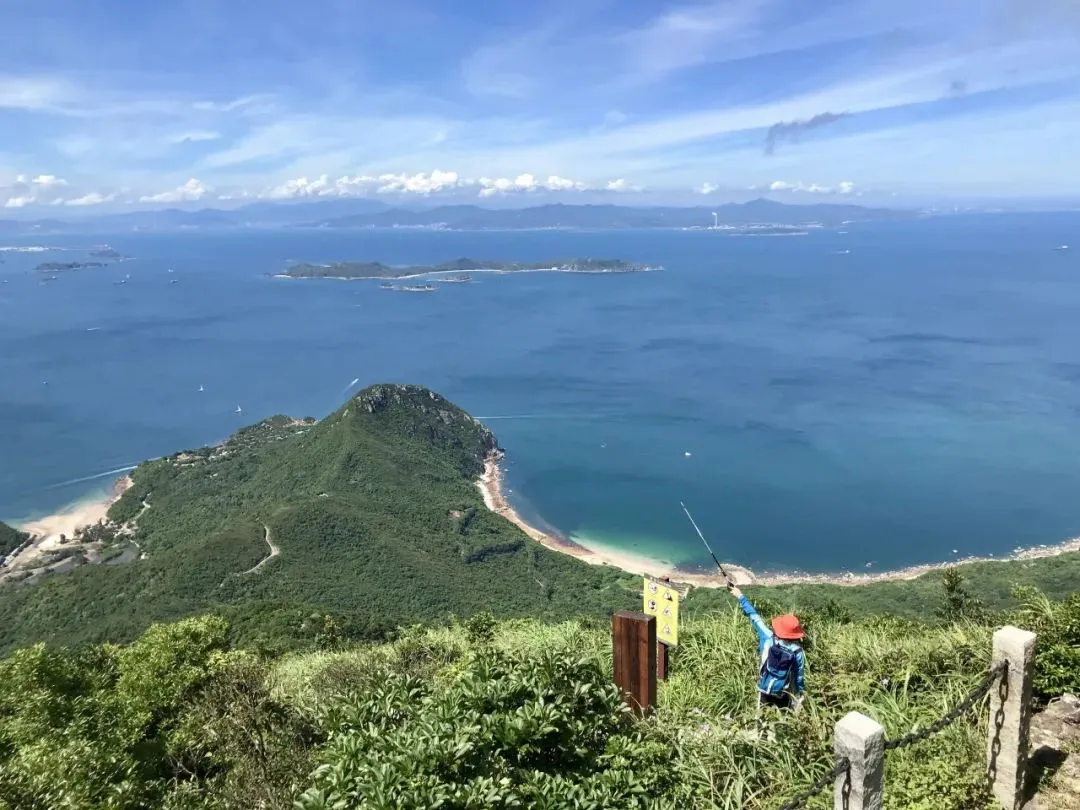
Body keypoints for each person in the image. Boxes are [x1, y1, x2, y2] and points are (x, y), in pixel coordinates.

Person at [728, 584, 807, 711]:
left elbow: (754, 616)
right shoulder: (797, 651)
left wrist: (740, 595)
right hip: (783, 693)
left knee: (761, 716)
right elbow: (799, 678)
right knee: (782, 718)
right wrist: (800, 695)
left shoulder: (768, 637)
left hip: (764, 688)